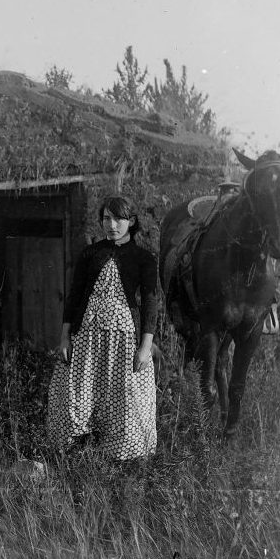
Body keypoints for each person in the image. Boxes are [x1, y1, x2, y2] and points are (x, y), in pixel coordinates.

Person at [47, 195, 159, 461]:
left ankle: (120, 463)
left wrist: (145, 347)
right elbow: (74, 296)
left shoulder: (144, 259)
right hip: (87, 338)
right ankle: (75, 456)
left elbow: (151, 303)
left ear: (131, 221)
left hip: (124, 341)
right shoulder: (90, 253)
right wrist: (65, 337)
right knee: (77, 397)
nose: (112, 225)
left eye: (119, 218)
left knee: (125, 401)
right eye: (107, 218)